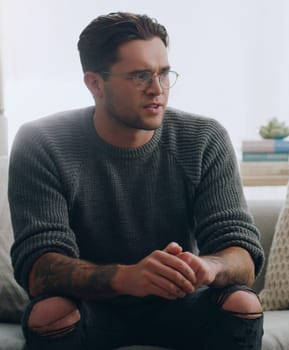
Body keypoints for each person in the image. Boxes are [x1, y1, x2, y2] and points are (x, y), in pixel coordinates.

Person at [9, 12, 265, 350]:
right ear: (95, 84)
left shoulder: (204, 139)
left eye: (163, 74)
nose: (157, 89)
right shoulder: (41, 142)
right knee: (49, 313)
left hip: (182, 305)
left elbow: (243, 258)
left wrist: (207, 267)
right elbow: (40, 270)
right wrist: (127, 277)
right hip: (90, 309)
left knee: (243, 303)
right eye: (141, 75)